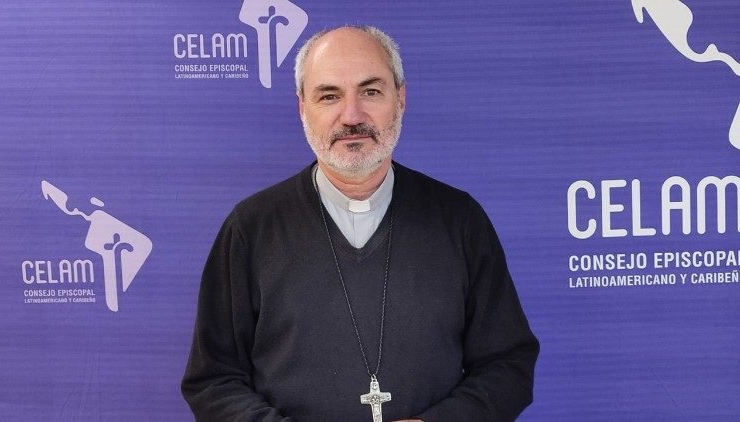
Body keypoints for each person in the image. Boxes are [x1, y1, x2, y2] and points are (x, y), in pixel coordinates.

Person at [181, 25, 539, 422]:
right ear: (302, 108)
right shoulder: (250, 229)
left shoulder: (460, 220)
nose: (351, 116)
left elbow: (508, 365)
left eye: (370, 92)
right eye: (329, 95)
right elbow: (214, 381)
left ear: (400, 98)